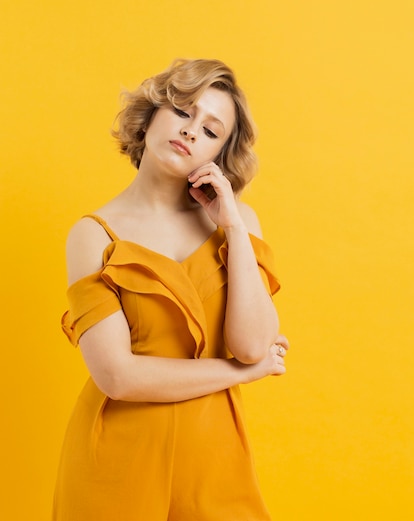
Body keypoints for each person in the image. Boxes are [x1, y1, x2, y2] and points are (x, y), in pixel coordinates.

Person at [53, 58, 288, 521]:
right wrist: (241, 374)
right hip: (116, 464)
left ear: (220, 153)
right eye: (183, 111)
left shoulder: (238, 223)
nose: (191, 131)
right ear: (153, 114)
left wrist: (233, 227)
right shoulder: (93, 235)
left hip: (215, 457)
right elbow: (118, 377)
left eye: (211, 129)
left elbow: (253, 344)